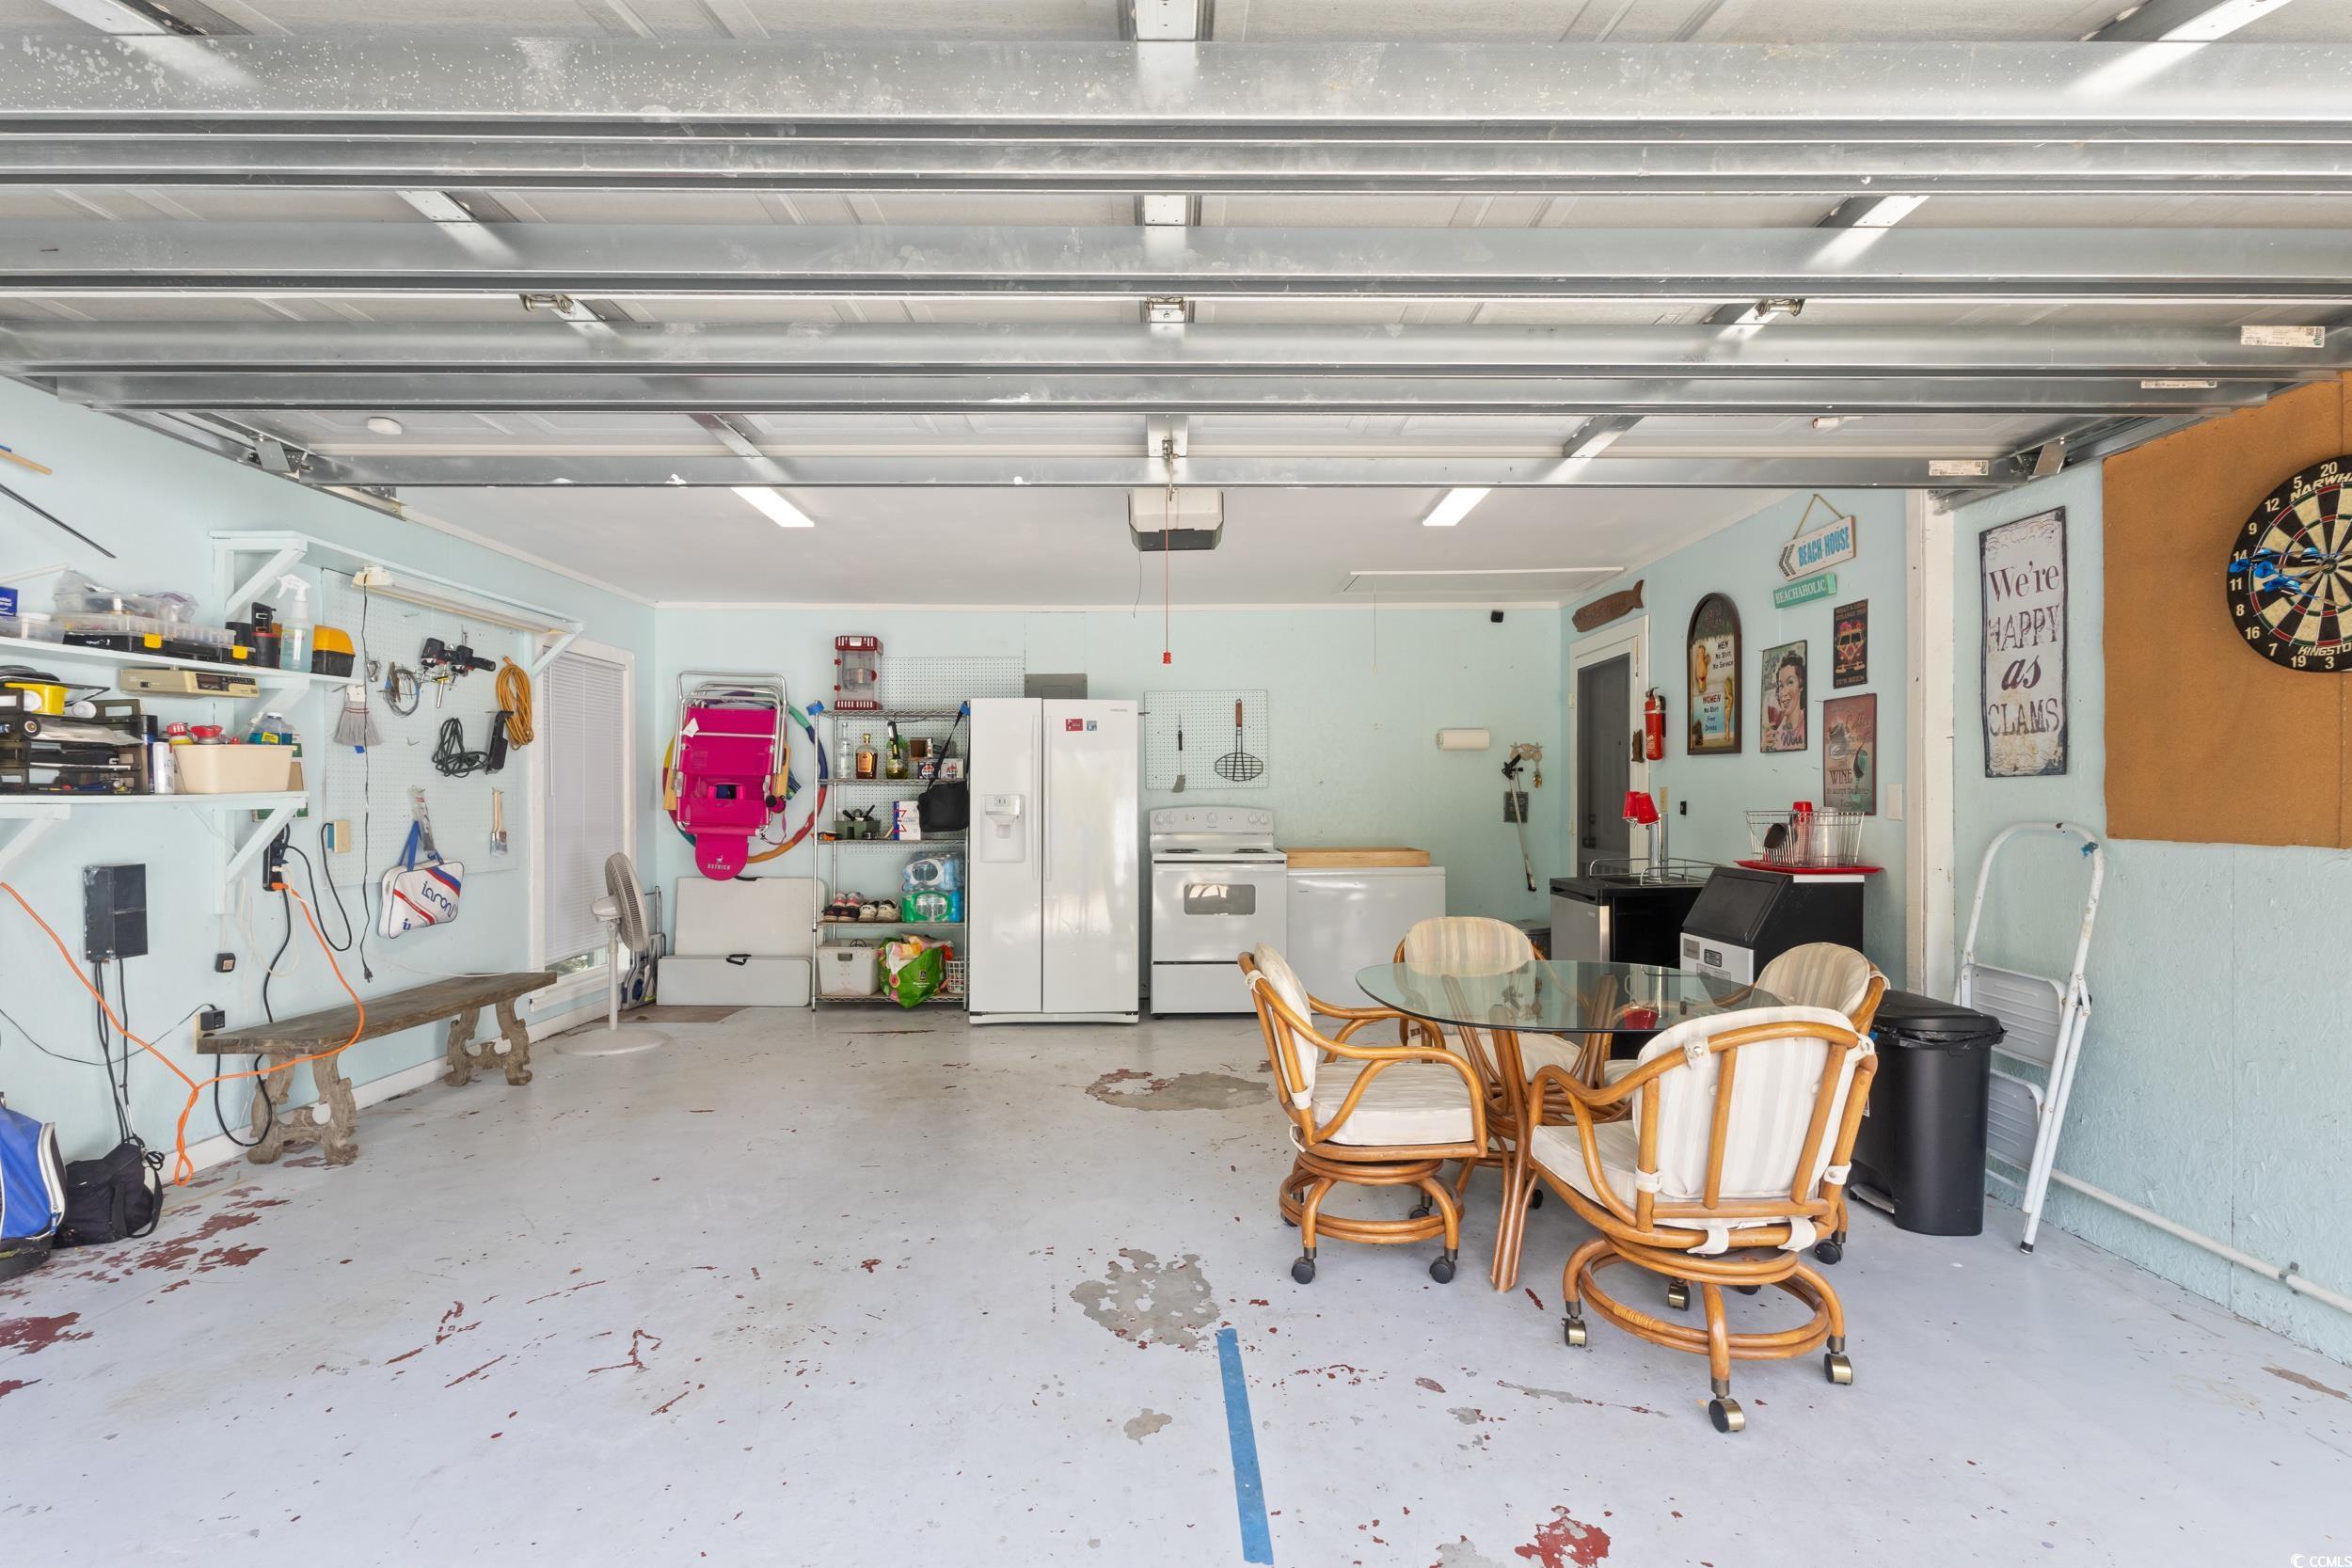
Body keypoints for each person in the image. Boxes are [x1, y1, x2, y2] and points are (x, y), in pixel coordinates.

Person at [1770, 648, 1806, 750]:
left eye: (1790, 682)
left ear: (1801, 685)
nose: (1784, 692)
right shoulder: (1776, 731)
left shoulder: (1810, 725)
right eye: (1781, 686)